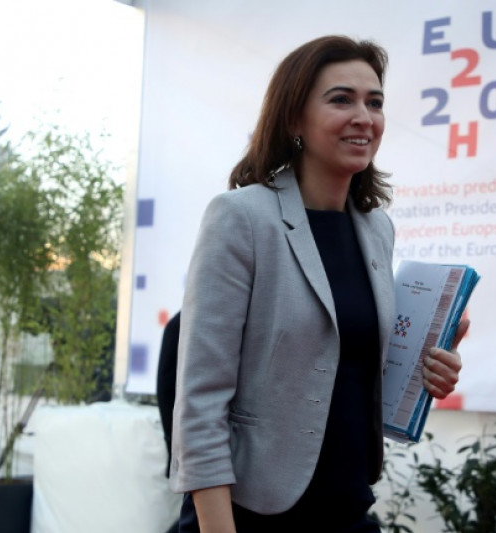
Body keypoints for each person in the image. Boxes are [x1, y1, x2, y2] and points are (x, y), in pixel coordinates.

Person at [170, 35, 468, 532]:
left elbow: (343, 371)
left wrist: (426, 372)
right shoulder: (241, 217)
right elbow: (200, 404)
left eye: (375, 102)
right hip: (252, 516)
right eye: (341, 100)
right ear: (294, 119)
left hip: (348, 508)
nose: (364, 117)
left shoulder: (377, 229)